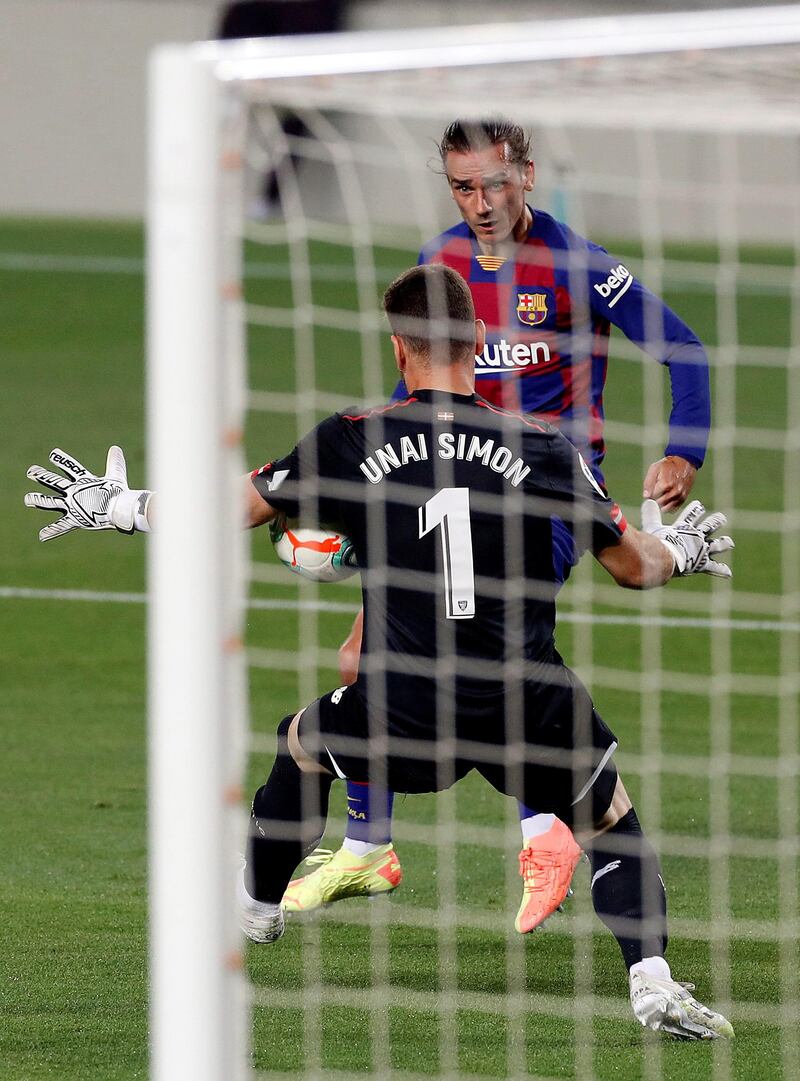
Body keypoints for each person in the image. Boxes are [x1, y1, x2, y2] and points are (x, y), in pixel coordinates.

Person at [25, 263, 734, 1038]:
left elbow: (231, 506)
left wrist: (124, 506)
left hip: (402, 708)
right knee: (610, 816)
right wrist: (686, 550)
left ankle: (257, 906)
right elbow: (634, 566)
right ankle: (651, 979)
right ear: (480, 344)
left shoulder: (352, 434)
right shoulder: (542, 443)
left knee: (300, 745)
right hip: (525, 701)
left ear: (401, 348)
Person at [285, 117, 713, 934]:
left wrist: (682, 452)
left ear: (527, 172)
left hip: (547, 498)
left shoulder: (579, 264)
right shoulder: (439, 260)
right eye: (462, 186)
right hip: (448, 489)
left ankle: (546, 833)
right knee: (358, 653)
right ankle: (372, 844)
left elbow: (684, 350)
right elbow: (414, 381)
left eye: (494, 183)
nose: (480, 202)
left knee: (483, 655)